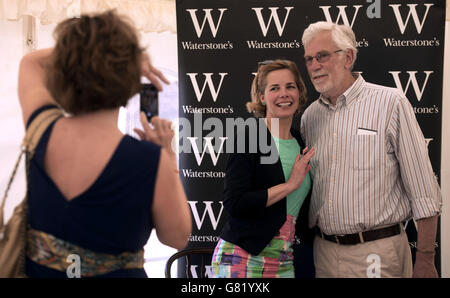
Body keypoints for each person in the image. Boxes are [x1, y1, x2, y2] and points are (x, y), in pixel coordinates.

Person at [18, 10, 191, 278]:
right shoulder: (148, 159)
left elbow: (31, 62)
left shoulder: (42, 129)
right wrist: (167, 155)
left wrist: (79, 51)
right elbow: (178, 237)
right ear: (130, 81)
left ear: (61, 76)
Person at [300, 21, 442, 278]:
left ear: (348, 57)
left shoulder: (391, 103)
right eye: (309, 59)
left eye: (322, 56)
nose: (314, 66)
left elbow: (424, 191)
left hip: (378, 251)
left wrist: (425, 258)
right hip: (324, 252)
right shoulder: (310, 117)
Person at [211, 59, 315, 278]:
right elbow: (235, 203)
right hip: (242, 257)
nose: (284, 94)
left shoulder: (299, 140)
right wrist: (290, 185)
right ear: (261, 97)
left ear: (299, 91)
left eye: (290, 86)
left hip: (284, 259)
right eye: (274, 88)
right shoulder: (251, 137)